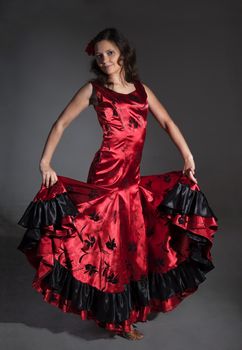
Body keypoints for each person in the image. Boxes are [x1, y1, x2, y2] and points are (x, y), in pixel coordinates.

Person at [17, 27, 218, 341]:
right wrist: (45, 162)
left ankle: (123, 310)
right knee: (106, 247)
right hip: (106, 178)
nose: (104, 59)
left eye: (109, 52)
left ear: (123, 53)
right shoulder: (94, 90)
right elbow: (61, 123)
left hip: (131, 182)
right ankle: (116, 318)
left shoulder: (142, 90)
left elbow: (166, 122)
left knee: (130, 246)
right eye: (99, 55)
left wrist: (188, 157)